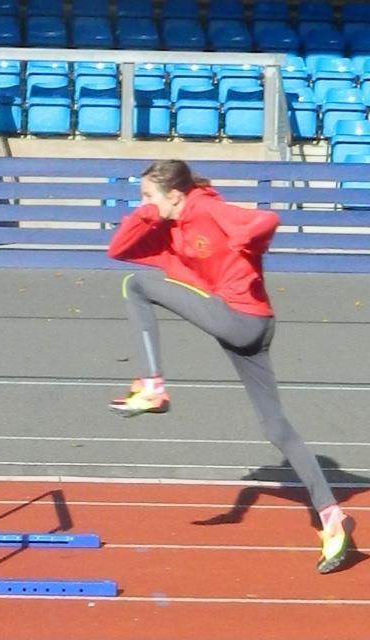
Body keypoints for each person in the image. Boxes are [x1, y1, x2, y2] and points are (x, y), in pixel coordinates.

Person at [106, 159, 355, 574]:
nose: (144, 204)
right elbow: (118, 249)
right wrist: (148, 212)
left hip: (239, 319)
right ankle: (333, 517)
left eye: (148, 196)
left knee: (135, 286)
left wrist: (244, 239)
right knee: (275, 427)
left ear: (175, 194)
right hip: (251, 324)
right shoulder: (171, 225)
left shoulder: (206, 208)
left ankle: (152, 386)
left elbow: (266, 219)